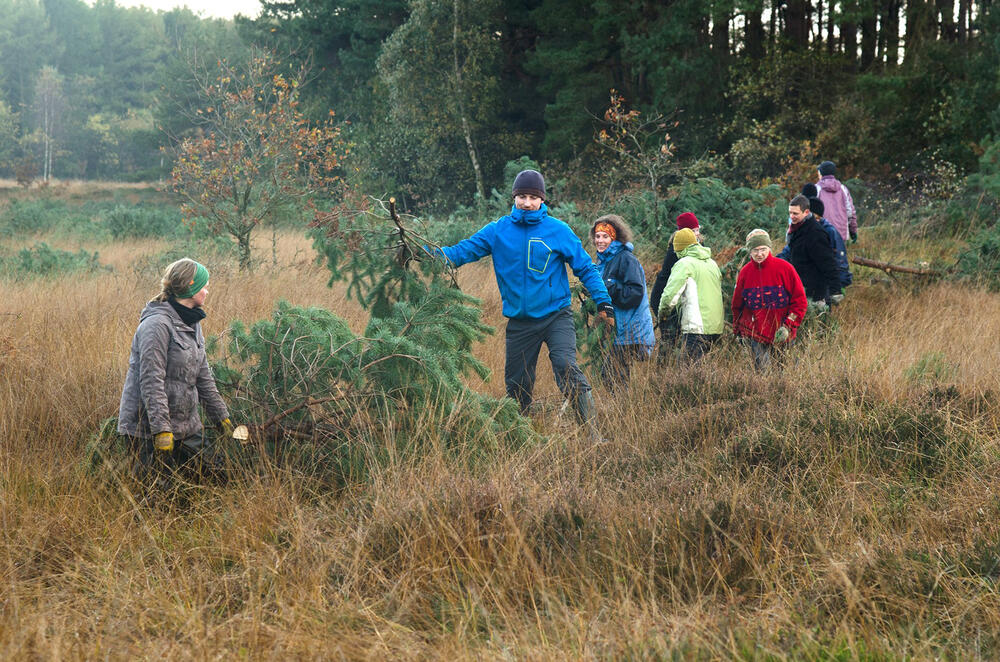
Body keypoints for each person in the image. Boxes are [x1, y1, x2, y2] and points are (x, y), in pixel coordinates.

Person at [431, 169, 614, 432]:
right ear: (514, 197)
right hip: (520, 322)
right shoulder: (498, 231)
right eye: (522, 196)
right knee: (517, 384)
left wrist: (604, 302)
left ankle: (593, 434)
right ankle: (522, 436)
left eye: (533, 197)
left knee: (565, 365)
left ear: (542, 200)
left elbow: (585, 267)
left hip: (556, 316)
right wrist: (425, 253)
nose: (527, 203)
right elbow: (462, 251)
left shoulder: (558, 230)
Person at [118, 258, 233, 481]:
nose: (208, 291)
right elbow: (151, 381)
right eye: (205, 286)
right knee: (155, 496)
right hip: (146, 430)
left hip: (186, 424)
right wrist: (161, 430)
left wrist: (221, 418)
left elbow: (203, 375)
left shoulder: (192, 321)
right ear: (191, 287)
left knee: (212, 480)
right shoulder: (156, 325)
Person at [589, 214, 655, 391]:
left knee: (613, 375)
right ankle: (622, 409)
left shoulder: (626, 259)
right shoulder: (605, 260)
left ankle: (623, 411)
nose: (600, 240)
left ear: (614, 237)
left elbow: (635, 293)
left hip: (631, 331)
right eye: (597, 236)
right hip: (618, 330)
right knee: (614, 375)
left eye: (605, 236)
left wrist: (609, 287)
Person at [733, 229, 808, 371]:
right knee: (762, 375)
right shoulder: (745, 273)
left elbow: (800, 302)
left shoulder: (785, 269)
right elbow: (737, 305)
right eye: (755, 250)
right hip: (755, 334)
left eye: (763, 249)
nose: (759, 254)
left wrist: (788, 325)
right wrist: (738, 330)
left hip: (783, 334)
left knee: (783, 374)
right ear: (749, 251)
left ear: (769, 248)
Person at [657, 227, 724, 362]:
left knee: (689, 371)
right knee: (707, 369)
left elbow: (669, 296)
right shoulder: (712, 263)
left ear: (678, 248)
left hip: (696, 328)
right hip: (716, 327)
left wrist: (662, 315)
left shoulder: (684, 264)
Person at [649, 212, 701, 351]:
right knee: (670, 339)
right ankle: (664, 369)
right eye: (692, 231)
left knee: (678, 339)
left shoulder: (695, 247)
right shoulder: (676, 251)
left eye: (697, 230)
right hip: (663, 298)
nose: (696, 234)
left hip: (675, 298)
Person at [779, 195, 852, 291]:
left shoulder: (826, 232)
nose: (792, 216)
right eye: (790, 213)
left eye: (817, 218)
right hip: (803, 282)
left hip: (819, 284)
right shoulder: (796, 229)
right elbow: (789, 251)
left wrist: (839, 284)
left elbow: (836, 259)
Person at [815, 160, 858, 244]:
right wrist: (853, 230)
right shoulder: (843, 189)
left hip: (821, 234)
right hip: (841, 234)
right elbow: (850, 212)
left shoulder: (816, 189)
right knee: (839, 257)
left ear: (821, 173)